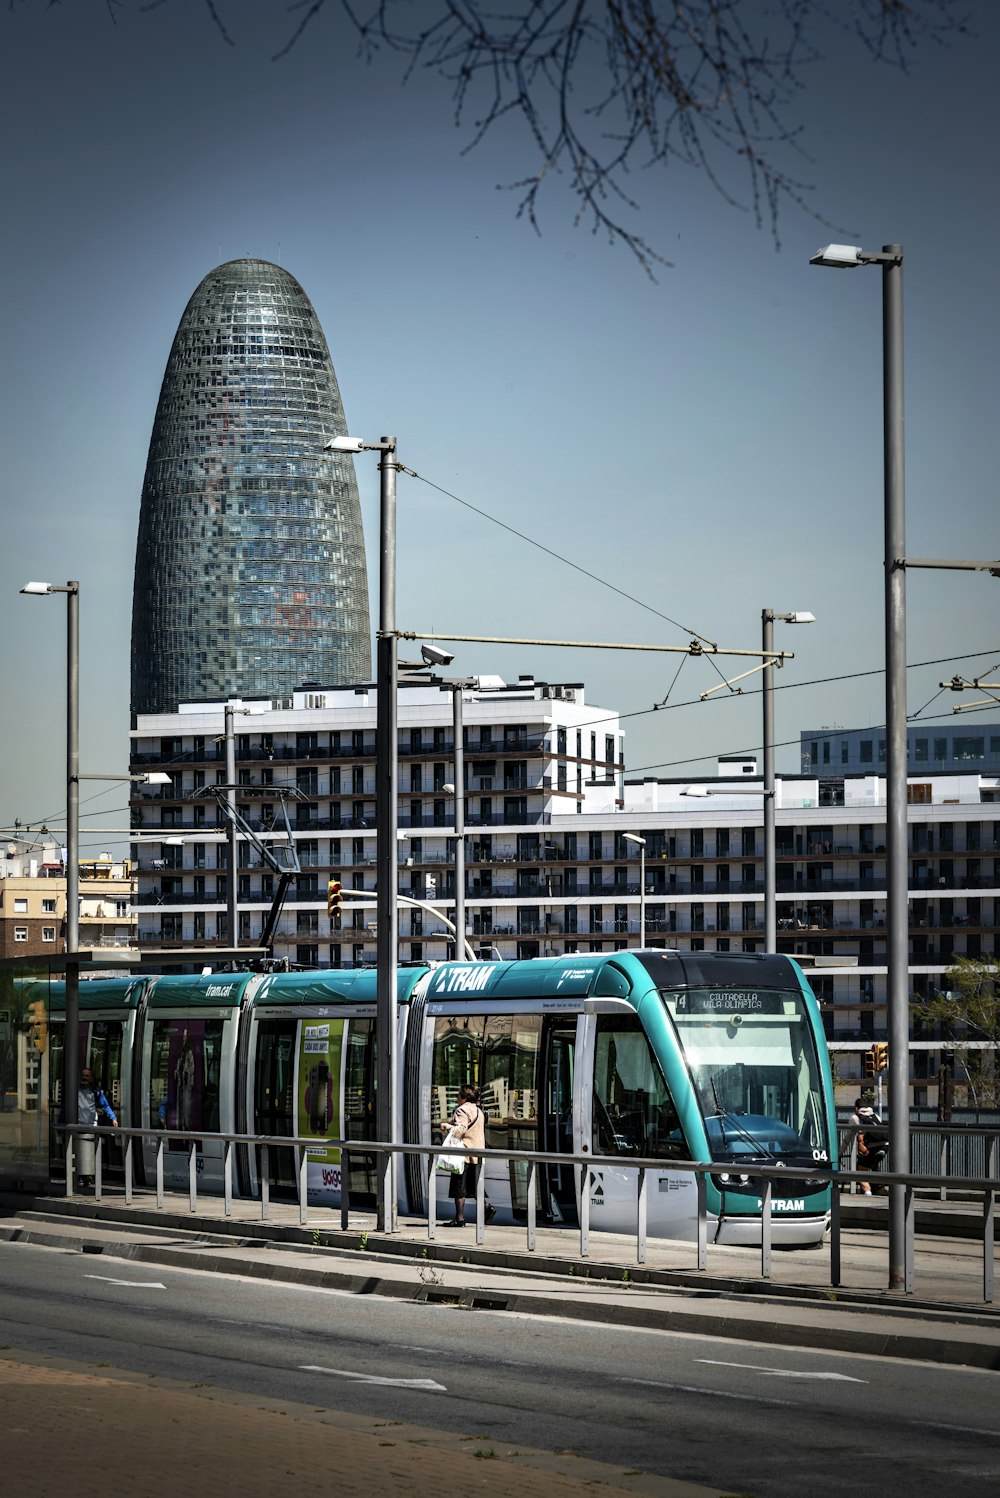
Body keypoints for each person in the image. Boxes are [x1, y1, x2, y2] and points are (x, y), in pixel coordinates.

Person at [446, 1084, 496, 1226]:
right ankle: (487, 1208)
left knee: (459, 1188)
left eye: (458, 1096)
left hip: (464, 1153)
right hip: (478, 1154)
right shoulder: (479, 1111)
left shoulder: (462, 1110)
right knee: (474, 1187)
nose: (457, 1099)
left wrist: (447, 1126)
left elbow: (460, 1129)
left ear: (464, 1097)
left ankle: (459, 1218)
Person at [76, 1067, 118, 1189]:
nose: (84, 1078)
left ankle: (87, 1174)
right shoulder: (75, 1089)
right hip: (78, 1125)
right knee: (79, 1151)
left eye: (87, 1076)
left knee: (89, 1150)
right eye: (83, 1075)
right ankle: (83, 1175)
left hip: (91, 1125)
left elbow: (105, 1105)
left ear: (91, 1078)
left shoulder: (95, 1091)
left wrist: (113, 1118)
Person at [848, 1095, 887, 1195]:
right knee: (873, 1164)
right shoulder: (876, 1116)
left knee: (860, 1169)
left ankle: (867, 1192)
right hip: (885, 1146)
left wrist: (839, 1152)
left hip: (870, 1147)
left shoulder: (855, 1117)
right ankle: (880, 1189)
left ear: (856, 1108)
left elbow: (847, 1139)